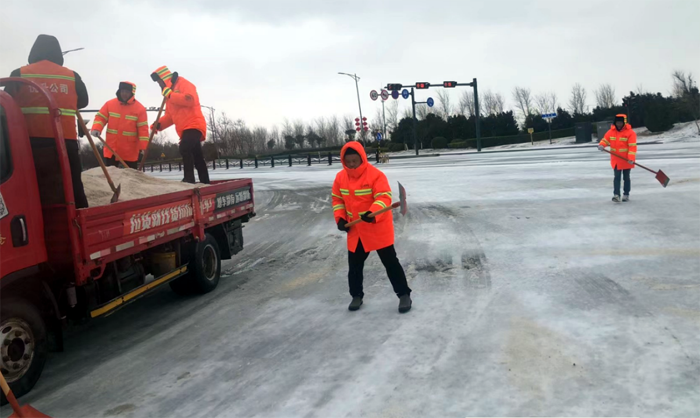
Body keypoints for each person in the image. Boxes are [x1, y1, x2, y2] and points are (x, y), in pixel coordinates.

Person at [5, 34, 89, 208]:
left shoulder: (20, 74)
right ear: (58, 54)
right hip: (66, 142)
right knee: (72, 187)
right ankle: (79, 223)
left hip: (31, 143)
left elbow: (6, 103)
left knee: (34, 189)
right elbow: (83, 101)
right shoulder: (72, 76)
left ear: (33, 53)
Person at [332, 142, 412, 313]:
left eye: (355, 160)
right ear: (343, 161)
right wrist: (340, 218)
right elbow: (337, 199)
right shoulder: (340, 178)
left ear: (362, 158)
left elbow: (383, 197)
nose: (352, 164)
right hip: (356, 230)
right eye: (348, 161)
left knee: (390, 263)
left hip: (377, 227)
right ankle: (356, 295)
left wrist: (373, 212)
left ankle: (404, 295)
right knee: (354, 266)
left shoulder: (375, 175)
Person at [149, 66, 209, 184]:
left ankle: (189, 179)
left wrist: (170, 95)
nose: (159, 85)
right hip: (185, 129)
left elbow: (190, 99)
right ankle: (205, 182)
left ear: (164, 78)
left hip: (194, 124)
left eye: (159, 82)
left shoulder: (183, 83)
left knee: (185, 148)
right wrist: (158, 125)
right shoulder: (168, 95)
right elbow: (170, 116)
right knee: (197, 157)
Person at [89, 82, 148, 169]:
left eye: (127, 92)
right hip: (111, 148)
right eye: (122, 91)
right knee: (111, 174)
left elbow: (143, 130)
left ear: (131, 93)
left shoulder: (140, 109)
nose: (124, 94)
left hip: (129, 150)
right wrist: (96, 128)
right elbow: (100, 117)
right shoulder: (110, 104)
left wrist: (144, 147)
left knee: (130, 176)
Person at [598, 114, 638, 202]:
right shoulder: (611, 132)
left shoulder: (630, 133)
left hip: (627, 160)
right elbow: (605, 140)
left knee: (626, 177)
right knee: (617, 177)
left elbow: (632, 147)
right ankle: (616, 195)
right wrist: (601, 145)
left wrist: (631, 158)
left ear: (623, 123)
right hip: (616, 160)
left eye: (620, 122)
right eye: (617, 123)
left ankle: (626, 194)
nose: (619, 124)